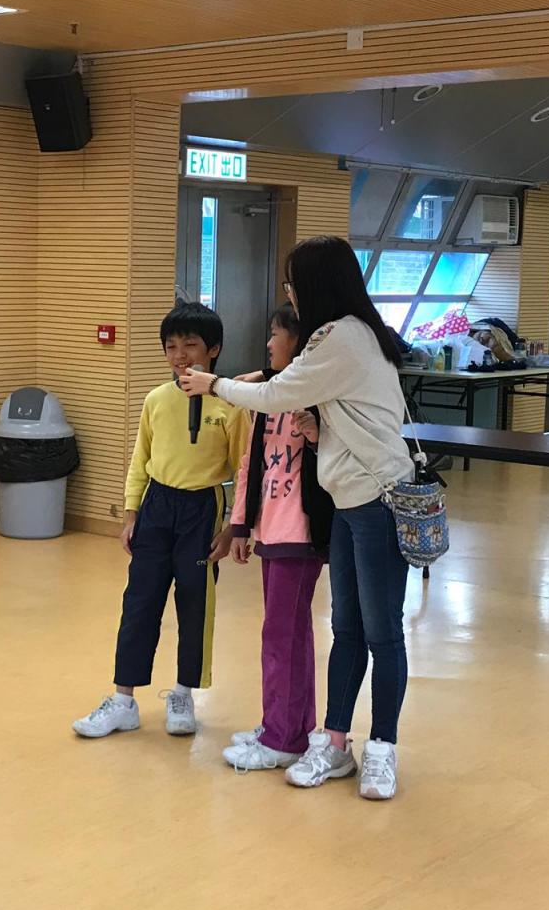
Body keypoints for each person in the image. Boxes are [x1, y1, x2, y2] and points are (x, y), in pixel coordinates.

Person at [178, 236, 415, 801]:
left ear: (315, 285)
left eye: (292, 284)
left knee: (382, 632)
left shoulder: (343, 336)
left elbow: (279, 392)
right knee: (347, 628)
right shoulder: (347, 335)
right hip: (351, 504)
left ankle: (382, 747)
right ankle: (334, 743)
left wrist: (214, 384)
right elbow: (311, 395)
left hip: (380, 501)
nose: (289, 294)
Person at [73, 301, 249, 739]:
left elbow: (244, 469)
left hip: (202, 508)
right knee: (139, 602)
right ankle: (123, 700)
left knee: (195, 603)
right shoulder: (155, 400)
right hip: (157, 505)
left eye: (190, 345)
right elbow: (140, 459)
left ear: (214, 349)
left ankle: (183, 693)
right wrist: (131, 511)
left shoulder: (230, 406)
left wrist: (234, 526)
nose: (180, 355)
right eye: (171, 346)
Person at [222, 305, 335, 772]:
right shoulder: (268, 398)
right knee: (287, 633)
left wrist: (317, 437)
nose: (269, 343)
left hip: (300, 533)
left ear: (300, 342)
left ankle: (282, 737)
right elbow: (250, 465)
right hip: (269, 527)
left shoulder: (320, 397)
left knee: (282, 636)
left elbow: (338, 458)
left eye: (276, 334)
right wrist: (241, 525)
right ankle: (290, 727)